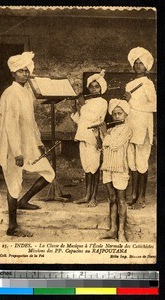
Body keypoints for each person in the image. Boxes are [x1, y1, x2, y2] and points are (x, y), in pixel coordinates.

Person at [0, 52, 55, 237]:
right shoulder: (11, 93)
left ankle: (24, 201)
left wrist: (38, 143)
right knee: (14, 183)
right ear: (13, 73)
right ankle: (12, 226)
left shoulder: (26, 92)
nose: (24, 73)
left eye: (26, 70)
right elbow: (10, 125)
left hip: (28, 143)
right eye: (20, 71)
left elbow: (32, 122)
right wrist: (17, 152)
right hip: (14, 147)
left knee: (49, 173)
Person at [122, 47, 156, 209]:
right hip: (131, 125)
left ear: (147, 66)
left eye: (141, 63)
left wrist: (131, 101)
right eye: (136, 63)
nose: (138, 66)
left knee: (142, 162)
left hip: (143, 125)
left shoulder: (148, 84)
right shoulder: (129, 84)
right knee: (132, 162)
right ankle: (133, 195)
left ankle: (141, 197)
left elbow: (154, 105)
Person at [71, 70, 108, 207]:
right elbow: (79, 120)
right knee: (87, 168)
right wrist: (77, 106)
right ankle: (87, 195)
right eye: (91, 86)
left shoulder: (102, 102)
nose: (93, 89)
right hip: (83, 136)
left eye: (96, 86)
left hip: (94, 137)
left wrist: (82, 106)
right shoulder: (87, 102)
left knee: (95, 168)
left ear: (101, 88)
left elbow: (92, 119)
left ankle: (94, 197)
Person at [100, 99, 132, 242]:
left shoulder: (127, 129)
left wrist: (104, 134)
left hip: (119, 169)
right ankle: (112, 229)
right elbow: (102, 146)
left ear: (125, 115)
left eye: (120, 114)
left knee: (121, 200)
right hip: (107, 168)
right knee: (112, 199)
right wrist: (98, 134)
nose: (117, 116)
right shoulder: (111, 129)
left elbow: (114, 145)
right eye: (114, 114)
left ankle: (121, 232)